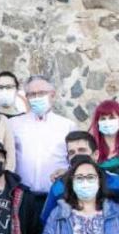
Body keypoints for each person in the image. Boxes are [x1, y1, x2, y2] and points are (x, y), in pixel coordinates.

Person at [8, 75, 78, 218]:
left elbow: (75, 161)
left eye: (41, 93)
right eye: (32, 94)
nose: (36, 97)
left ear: (52, 95)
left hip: (56, 196)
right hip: (23, 198)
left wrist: (66, 171)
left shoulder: (67, 126)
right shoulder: (14, 124)